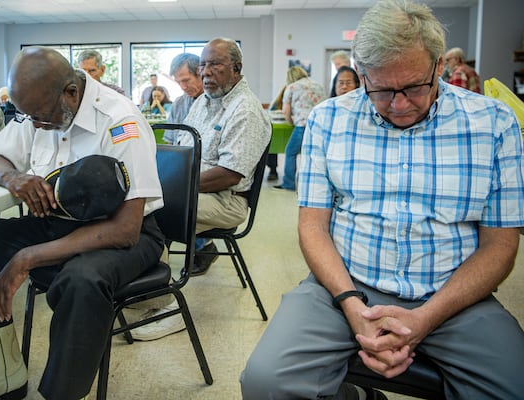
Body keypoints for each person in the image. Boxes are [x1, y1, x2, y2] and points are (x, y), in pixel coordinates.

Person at [241, 1, 524, 399]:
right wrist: (351, 305)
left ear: (438, 66)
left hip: (453, 294)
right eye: (381, 90)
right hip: (345, 285)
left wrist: (426, 317)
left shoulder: (494, 124)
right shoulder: (329, 119)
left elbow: (501, 244)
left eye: (412, 87)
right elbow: (312, 226)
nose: (399, 104)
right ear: (361, 75)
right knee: (265, 382)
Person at [0, 47, 164, 400]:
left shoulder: (120, 121)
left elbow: (126, 229)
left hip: (121, 234)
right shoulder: (37, 109)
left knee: (82, 281)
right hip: (56, 224)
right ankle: (4, 373)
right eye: (28, 117)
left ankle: (62, 393)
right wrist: (12, 176)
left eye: (41, 116)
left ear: (70, 93)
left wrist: (28, 257)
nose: (35, 125)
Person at [130, 37, 271, 342]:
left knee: (153, 210)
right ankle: (139, 289)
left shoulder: (244, 110)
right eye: (203, 65)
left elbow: (230, 175)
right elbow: (180, 148)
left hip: (226, 200)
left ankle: (165, 308)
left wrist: (172, 187)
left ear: (236, 68)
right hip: (194, 190)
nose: (205, 71)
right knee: (139, 203)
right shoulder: (204, 102)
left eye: (214, 64)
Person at [274, 66, 325, 191]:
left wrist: (291, 122)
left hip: (302, 125)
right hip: (320, 125)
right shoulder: (318, 85)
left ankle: (289, 183)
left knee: (291, 152)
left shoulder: (292, 87)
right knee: (314, 155)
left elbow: (286, 111)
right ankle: (313, 184)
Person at [162, 53, 204, 145]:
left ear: (200, 73)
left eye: (186, 80)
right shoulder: (178, 103)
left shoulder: (216, 102)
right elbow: (169, 143)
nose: (183, 87)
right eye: (178, 82)